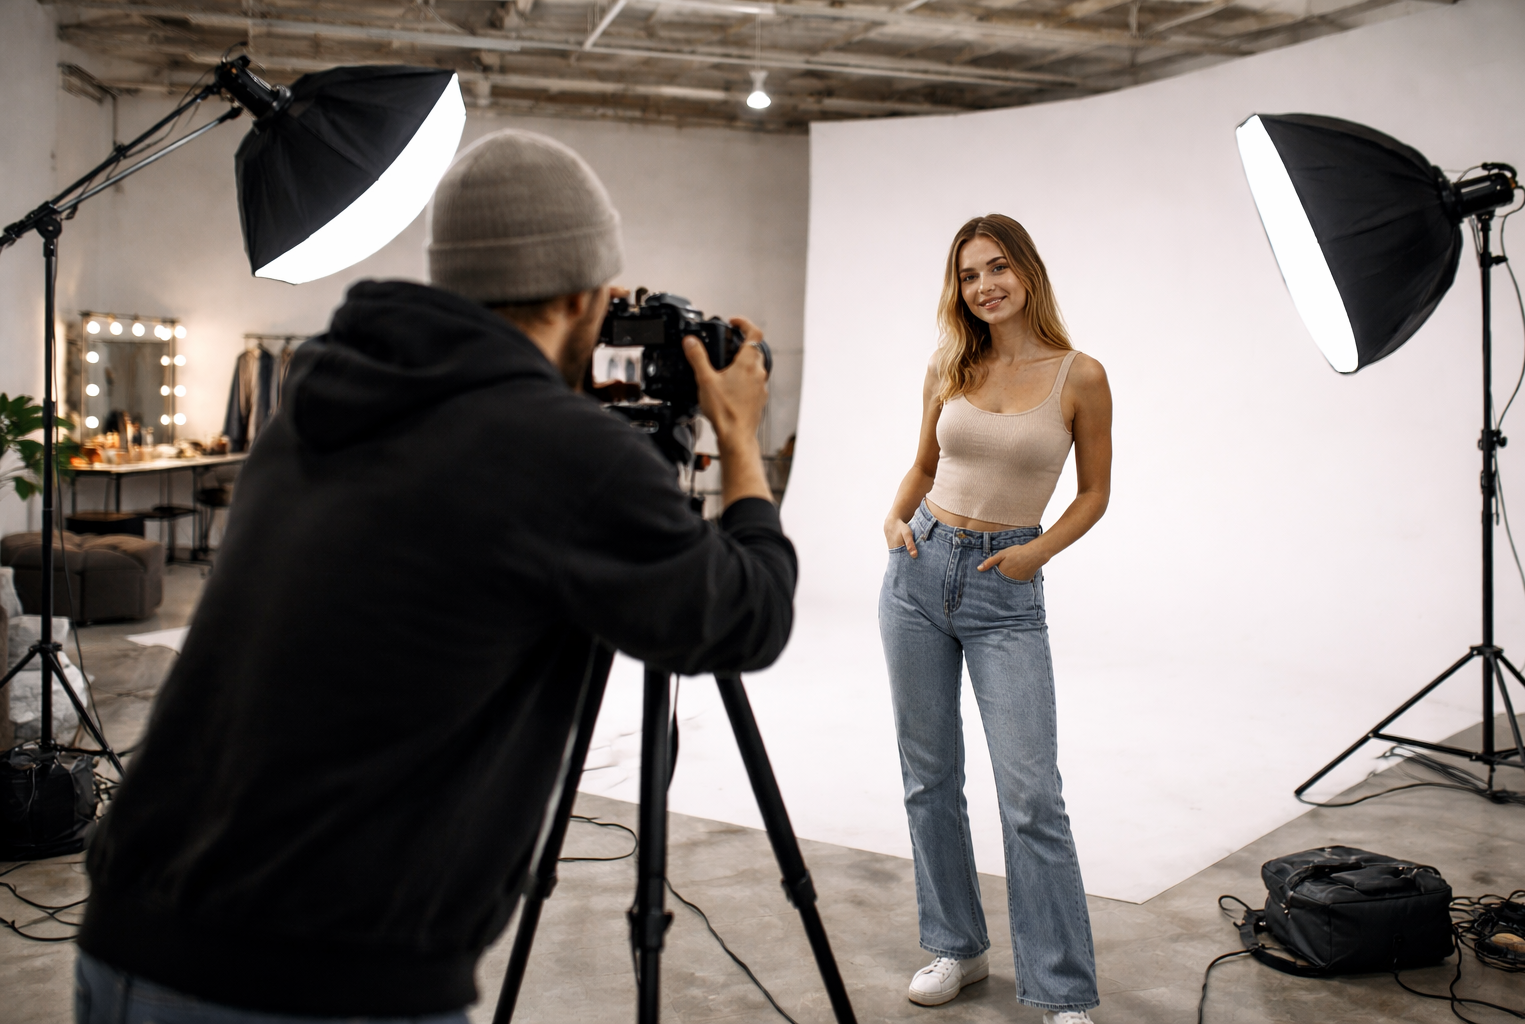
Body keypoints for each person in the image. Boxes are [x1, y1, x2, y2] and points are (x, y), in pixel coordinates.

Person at [75, 130, 796, 1023]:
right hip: (318, 978)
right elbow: (749, 617)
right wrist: (739, 442)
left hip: (127, 932)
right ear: (585, 296)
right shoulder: (561, 455)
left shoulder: (319, 397)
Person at [878, 214, 1112, 1024]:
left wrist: (1034, 553)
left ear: (1028, 273)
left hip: (1004, 588)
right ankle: (956, 945)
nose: (985, 285)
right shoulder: (951, 363)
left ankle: (1060, 988)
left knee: (1031, 797)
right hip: (917, 573)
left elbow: (1093, 494)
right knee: (929, 778)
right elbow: (923, 463)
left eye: (998, 268)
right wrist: (894, 520)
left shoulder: (1079, 375)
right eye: (971, 273)